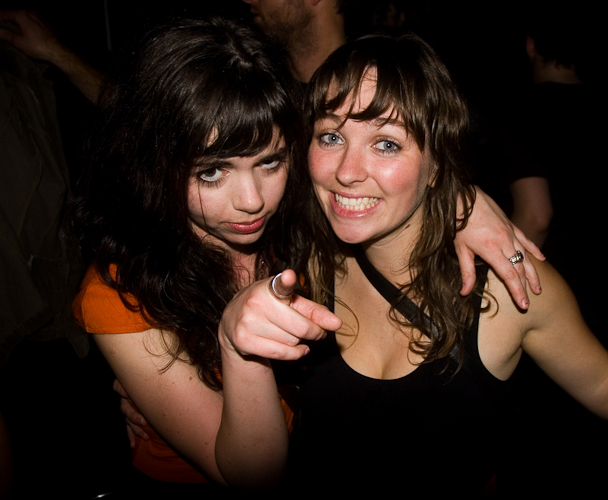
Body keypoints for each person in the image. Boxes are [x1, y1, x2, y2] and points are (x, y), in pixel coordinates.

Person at [219, 33, 608, 496]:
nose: (346, 171)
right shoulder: (298, 257)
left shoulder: (505, 288)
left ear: (436, 165)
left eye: (386, 144)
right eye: (331, 136)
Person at [71, 16, 542, 495]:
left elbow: (383, 177)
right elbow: (252, 475)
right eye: (211, 172)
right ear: (156, 164)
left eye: (270, 161)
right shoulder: (121, 292)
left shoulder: (302, 225)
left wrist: (464, 202)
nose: (252, 201)